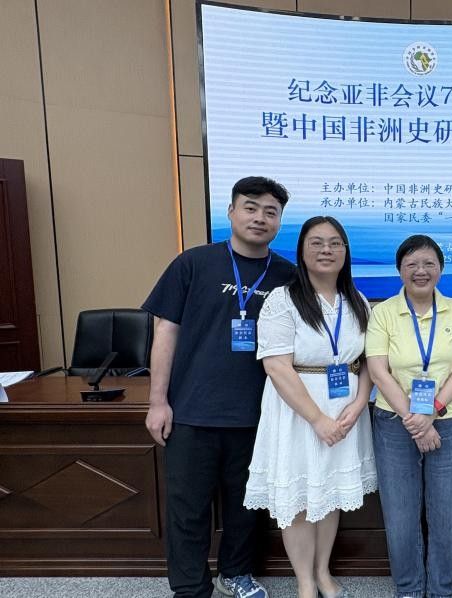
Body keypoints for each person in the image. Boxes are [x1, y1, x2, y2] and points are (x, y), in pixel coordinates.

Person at [143, 176, 295, 598]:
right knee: (187, 508)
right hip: (192, 410)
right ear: (230, 212)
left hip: (259, 414)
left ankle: (236, 572)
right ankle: (190, 588)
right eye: (250, 207)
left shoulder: (288, 275)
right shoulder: (193, 263)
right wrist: (157, 401)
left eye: (270, 211)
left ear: (279, 221)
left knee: (247, 506)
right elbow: (165, 331)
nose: (260, 218)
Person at [243, 216, 377, 598]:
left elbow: (370, 359)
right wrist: (317, 419)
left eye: (335, 243)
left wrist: (359, 403)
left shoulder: (357, 300)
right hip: (298, 412)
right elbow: (276, 366)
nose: (326, 250)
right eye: (316, 242)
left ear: (345, 251)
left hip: (346, 412)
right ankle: (304, 581)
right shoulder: (282, 300)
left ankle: (322, 572)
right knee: (300, 498)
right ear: (301, 251)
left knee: (330, 493)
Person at [365, 234, 452, 598]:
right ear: (400, 270)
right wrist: (416, 420)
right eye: (411, 264)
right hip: (395, 423)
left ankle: (442, 589)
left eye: (429, 263)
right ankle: (410, 588)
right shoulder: (383, 312)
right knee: (400, 513)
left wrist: (433, 412)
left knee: (449, 512)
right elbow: (378, 371)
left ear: (440, 269)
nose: (420, 271)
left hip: (450, 420)